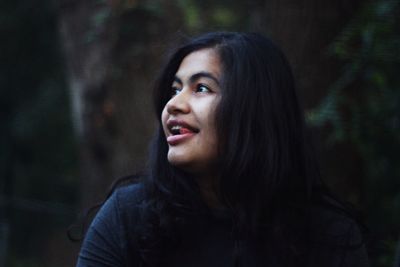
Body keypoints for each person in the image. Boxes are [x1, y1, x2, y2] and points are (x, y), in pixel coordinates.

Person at [76, 32, 369, 267]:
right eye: (175, 90)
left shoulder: (329, 235)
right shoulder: (128, 217)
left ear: (255, 110)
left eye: (201, 88)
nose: (174, 104)